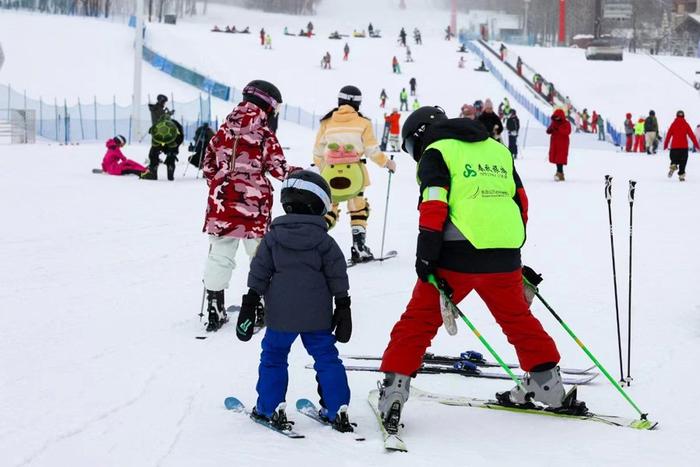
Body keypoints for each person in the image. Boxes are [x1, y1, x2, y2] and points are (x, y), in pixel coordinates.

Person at [376, 106, 577, 435]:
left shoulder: (437, 151)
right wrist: (509, 248)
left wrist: (426, 255)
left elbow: (434, 202)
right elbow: (520, 202)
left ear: (418, 137)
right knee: (517, 319)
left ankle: (395, 390)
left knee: (418, 321)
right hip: (503, 256)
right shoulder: (498, 149)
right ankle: (547, 386)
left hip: (453, 257)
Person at [236, 170, 354, 433]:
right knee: (326, 357)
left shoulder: (272, 239)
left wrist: (250, 301)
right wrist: (343, 306)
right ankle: (337, 408)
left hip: (280, 317)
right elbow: (337, 275)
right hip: (317, 318)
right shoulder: (325, 242)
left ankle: (269, 407)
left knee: (274, 357)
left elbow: (259, 272)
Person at [201, 80, 297, 332]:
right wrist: (302, 173)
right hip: (253, 206)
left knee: (220, 253)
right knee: (260, 255)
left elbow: (208, 165)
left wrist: (222, 183)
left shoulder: (223, 130)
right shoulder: (264, 133)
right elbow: (279, 169)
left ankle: (214, 304)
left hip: (221, 203)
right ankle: (260, 305)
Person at [312, 85, 397, 262]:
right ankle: (359, 247)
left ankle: (313, 244)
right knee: (358, 206)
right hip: (355, 174)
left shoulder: (326, 122)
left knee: (329, 208)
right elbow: (371, 150)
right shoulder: (363, 123)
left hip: (330, 172)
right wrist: (387, 163)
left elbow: (318, 151)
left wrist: (322, 169)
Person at [142, 112, 183, 181]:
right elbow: (181, 137)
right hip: (172, 142)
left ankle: (153, 172)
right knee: (171, 156)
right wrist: (176, 146)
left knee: (153, 155)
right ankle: (170, 171)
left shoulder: (158, 124)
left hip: (158, 142)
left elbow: (152, 133)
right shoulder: (176, 124)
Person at [663, 110, 699, 181]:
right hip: (684, 148)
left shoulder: (673, 124)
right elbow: (692, 135)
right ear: (683, 116)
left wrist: (665, 145)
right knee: (683, 162)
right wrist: (697, 145)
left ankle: (673, 165)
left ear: (676, 115)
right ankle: (681, 175)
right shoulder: (686, 124)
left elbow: (668, 135)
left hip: (674, 147)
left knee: (674, 158)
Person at [547, 108, 571, 181]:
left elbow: (567, 131)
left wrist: (559, 129)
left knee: (560, 158)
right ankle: (560, 173)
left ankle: (559, 173)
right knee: (556, 158)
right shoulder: (554, 123)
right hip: (555, 143)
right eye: (555, 117)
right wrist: (550, 130)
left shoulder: (566, 123)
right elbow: (548, 130)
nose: (556, 118)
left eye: (557, 116)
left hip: (562, 144)